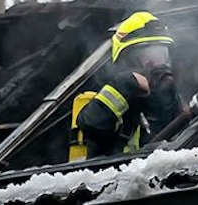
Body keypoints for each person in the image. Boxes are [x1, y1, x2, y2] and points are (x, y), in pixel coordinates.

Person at [68, 11, 181, 160]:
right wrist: (126, 84)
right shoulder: (111, 95)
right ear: (128, 60)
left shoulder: (165, 100)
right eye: (150, 57)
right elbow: (90, 123)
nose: (160, 65)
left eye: (163, 56)